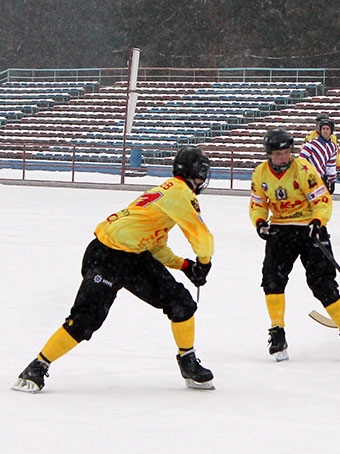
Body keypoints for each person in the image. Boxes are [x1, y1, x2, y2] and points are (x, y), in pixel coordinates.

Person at [12, 147, 216, 392]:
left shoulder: (164, 193)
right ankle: (38, 365)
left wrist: (184, 265)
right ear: (195, 174)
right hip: (108, 255)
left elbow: (154, 245)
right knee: (86, 319)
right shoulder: (182, 194)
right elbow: (201, 236)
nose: (203, 180)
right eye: (202, 174)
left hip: (131, 256)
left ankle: (188, 361)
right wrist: (203, 262)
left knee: (180, 302)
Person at [250, 128, 340, 362]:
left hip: (309, 228)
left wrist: (317, 221)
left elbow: (321, 198)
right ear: (268, 154)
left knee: (322, 284)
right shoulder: (260, 173)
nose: (283, 158)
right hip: (280, 229)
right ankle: (277, 331)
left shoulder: (303, 168)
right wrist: (260, 222)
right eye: (277, 154)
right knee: (272, 279)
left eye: (286, 152)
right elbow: (258, 203)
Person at [302, 113, 340, 193]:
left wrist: (337, 167)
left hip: (325, 169)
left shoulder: (333, 138)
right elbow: (303, 154)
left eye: (327, 128)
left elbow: (335, 154)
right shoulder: (311, 136)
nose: (325, 131)